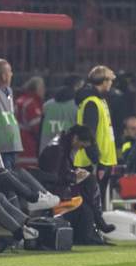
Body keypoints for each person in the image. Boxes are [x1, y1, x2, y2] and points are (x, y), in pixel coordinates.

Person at [39, 124, 116, 244]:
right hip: (55, 190)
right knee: (90, 182)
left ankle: (98, 221)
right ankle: (99, 220)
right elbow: (52, 176)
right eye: (81, 146)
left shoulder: (62, 146)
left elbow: (58, 171)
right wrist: (74, 176)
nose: (80, 149)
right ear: (75, 138)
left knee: (89, 181)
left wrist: (74, 173)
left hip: (57, 188)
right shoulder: (58, 148)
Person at [74, 65, 118, 205]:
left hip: (102, 159)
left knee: (97, 203)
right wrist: (95, 158)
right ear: (104, 81)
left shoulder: (99, 101)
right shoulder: (92, 103)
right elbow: (88, 132)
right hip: (93, 161)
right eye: (110, 80)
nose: (111, 83)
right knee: (92, 203)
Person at [39, 74, 85, 155]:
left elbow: (40, 133)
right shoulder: (78, 107)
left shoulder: (47, 105)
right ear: (76, 87)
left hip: (46, 154)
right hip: (68, 157)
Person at [15, 76, 45, 168]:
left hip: (19, 149)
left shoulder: (20, 100)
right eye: (42, 87)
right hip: (29, 150)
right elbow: (37, 129)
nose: (44, 91)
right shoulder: (31, 103)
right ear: (36, 88)